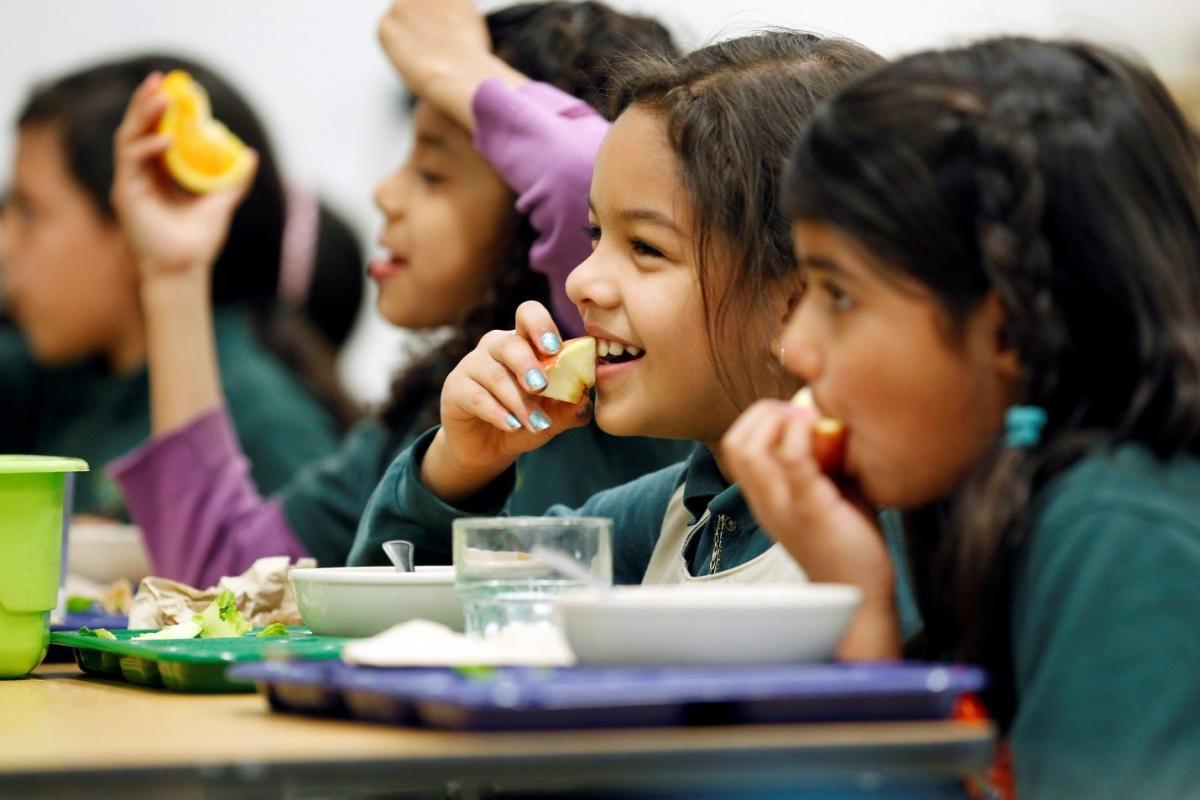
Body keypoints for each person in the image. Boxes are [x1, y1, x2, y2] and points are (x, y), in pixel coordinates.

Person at [723, 37, 1200, 799]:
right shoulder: (1021, 492)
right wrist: (857, 602)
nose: (799, 348)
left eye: (838, 293)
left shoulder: (1120, 529)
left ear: (1009, 327)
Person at [110, 0, 692, 586]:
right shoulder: (435, 407)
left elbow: (594, 171)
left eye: (433, 173)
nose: (385, 194)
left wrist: (454, 66)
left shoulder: (621, 371)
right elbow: (224, 575)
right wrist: (172, 274)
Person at [353, 30, 888, 586]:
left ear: (801, 301)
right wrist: (459, 468)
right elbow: (395, 622)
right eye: (594, 233)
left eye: (647, 247)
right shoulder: (665, 520)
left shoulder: (902, 521)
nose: (582, 281)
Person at [0, 55, 344, 519]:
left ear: (137, 214)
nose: (5, 244)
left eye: (30, 211)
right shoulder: (62, 379)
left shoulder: (263, 424)